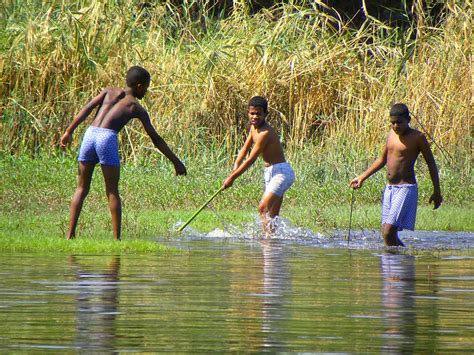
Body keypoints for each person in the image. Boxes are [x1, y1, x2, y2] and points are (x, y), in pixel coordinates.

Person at [60, 66, 186, 240]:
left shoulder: (108, 91)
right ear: (140, 86)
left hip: (90, 134)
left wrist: (68, 131)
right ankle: (116, 239)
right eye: (147, 88)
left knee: (81, 188)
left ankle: (69, 235)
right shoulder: (136, 107)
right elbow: (156, 139)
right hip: (107, 137)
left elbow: (87, 109)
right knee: (112, 191)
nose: (147, 92)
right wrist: (176, 161)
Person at [350, 103, 442, 246]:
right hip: (390, 189)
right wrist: (362, 177)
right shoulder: (392, 135)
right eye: (392, 123)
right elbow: (382, 160)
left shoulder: (417, 137)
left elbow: (431, 163)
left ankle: (405, 260)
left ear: (408, 120)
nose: (395, 126)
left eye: (399, 122)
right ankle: (393, 265)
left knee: (388, 232)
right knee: (386, 233)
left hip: (405, 188)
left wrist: (437, 191)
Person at [223, 96, 295, 236]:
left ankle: (266, 241)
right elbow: (244, 150)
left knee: (263, 208)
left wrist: (232, 178)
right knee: (272, 216)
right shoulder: (253, 128)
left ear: (265, 114)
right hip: (270, 172)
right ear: (248, 113)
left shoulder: (265, 133)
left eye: (258, 114)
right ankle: (272, 246)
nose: (255, 116)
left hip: (281, 173)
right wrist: (235, 167)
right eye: (252, 113)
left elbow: (251, 159)